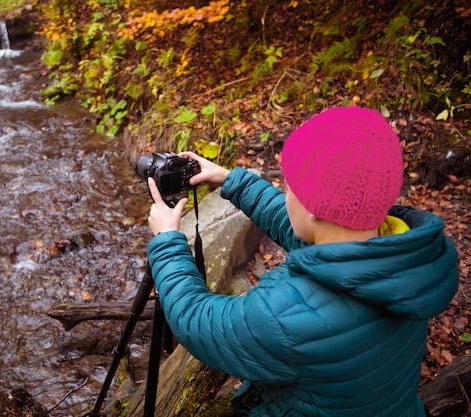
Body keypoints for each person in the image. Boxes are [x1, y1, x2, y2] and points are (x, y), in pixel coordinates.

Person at [145, 106, 459, 416]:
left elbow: (196, 321)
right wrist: (230, 181)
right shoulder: (409, 255)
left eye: (290, 186)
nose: (286, 194)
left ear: (312, 207)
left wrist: (167, 243)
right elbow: (307, 230)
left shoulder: (286, 315)